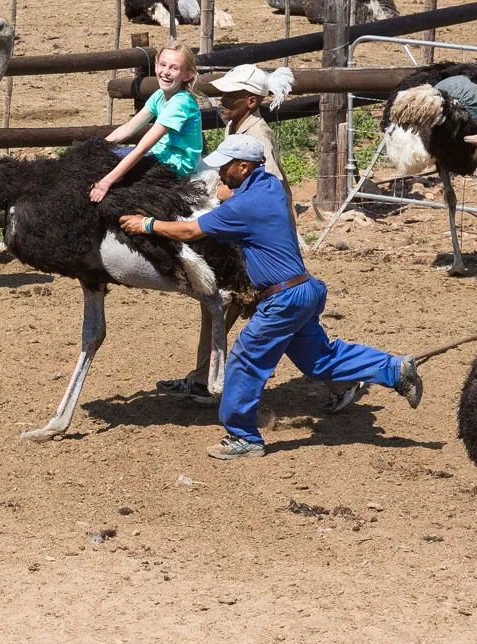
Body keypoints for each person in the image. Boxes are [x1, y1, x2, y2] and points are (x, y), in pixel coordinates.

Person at [120, 133, 423, 460]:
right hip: (303, 290)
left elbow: (192, 231)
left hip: (282, 300)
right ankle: (393, 369)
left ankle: (243, 437)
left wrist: (148, 224)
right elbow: (245, 196)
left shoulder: (244, 205)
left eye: (226, 167)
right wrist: (232, 191)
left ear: (245, 166)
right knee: (320, 359)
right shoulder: (270, 188)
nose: (220, 172)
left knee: (244, 361)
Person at [155, 62, 359, 414]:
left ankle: (341, 379)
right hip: (249, 239)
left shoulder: (256, 134)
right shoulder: (238, 125)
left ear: (251, 101)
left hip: (259, 243)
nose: (222, 100)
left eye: (230, 96)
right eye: (221, 95)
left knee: (273, 314)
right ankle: (204, 378)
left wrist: (224, 200)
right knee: (243, 308)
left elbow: (271, 190)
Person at [89, 41, 202, 202]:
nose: (166, 72)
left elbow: (142, 148)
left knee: (111, 170)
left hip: (176, 164)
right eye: (163, 65)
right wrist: (98, 148)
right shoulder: (159, 96)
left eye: (174, 68)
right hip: (160, 154)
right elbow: (128, 128)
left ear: (188, 75)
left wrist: (106, 182)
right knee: (104, 159)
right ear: (156, 65)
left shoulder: (180, 104)